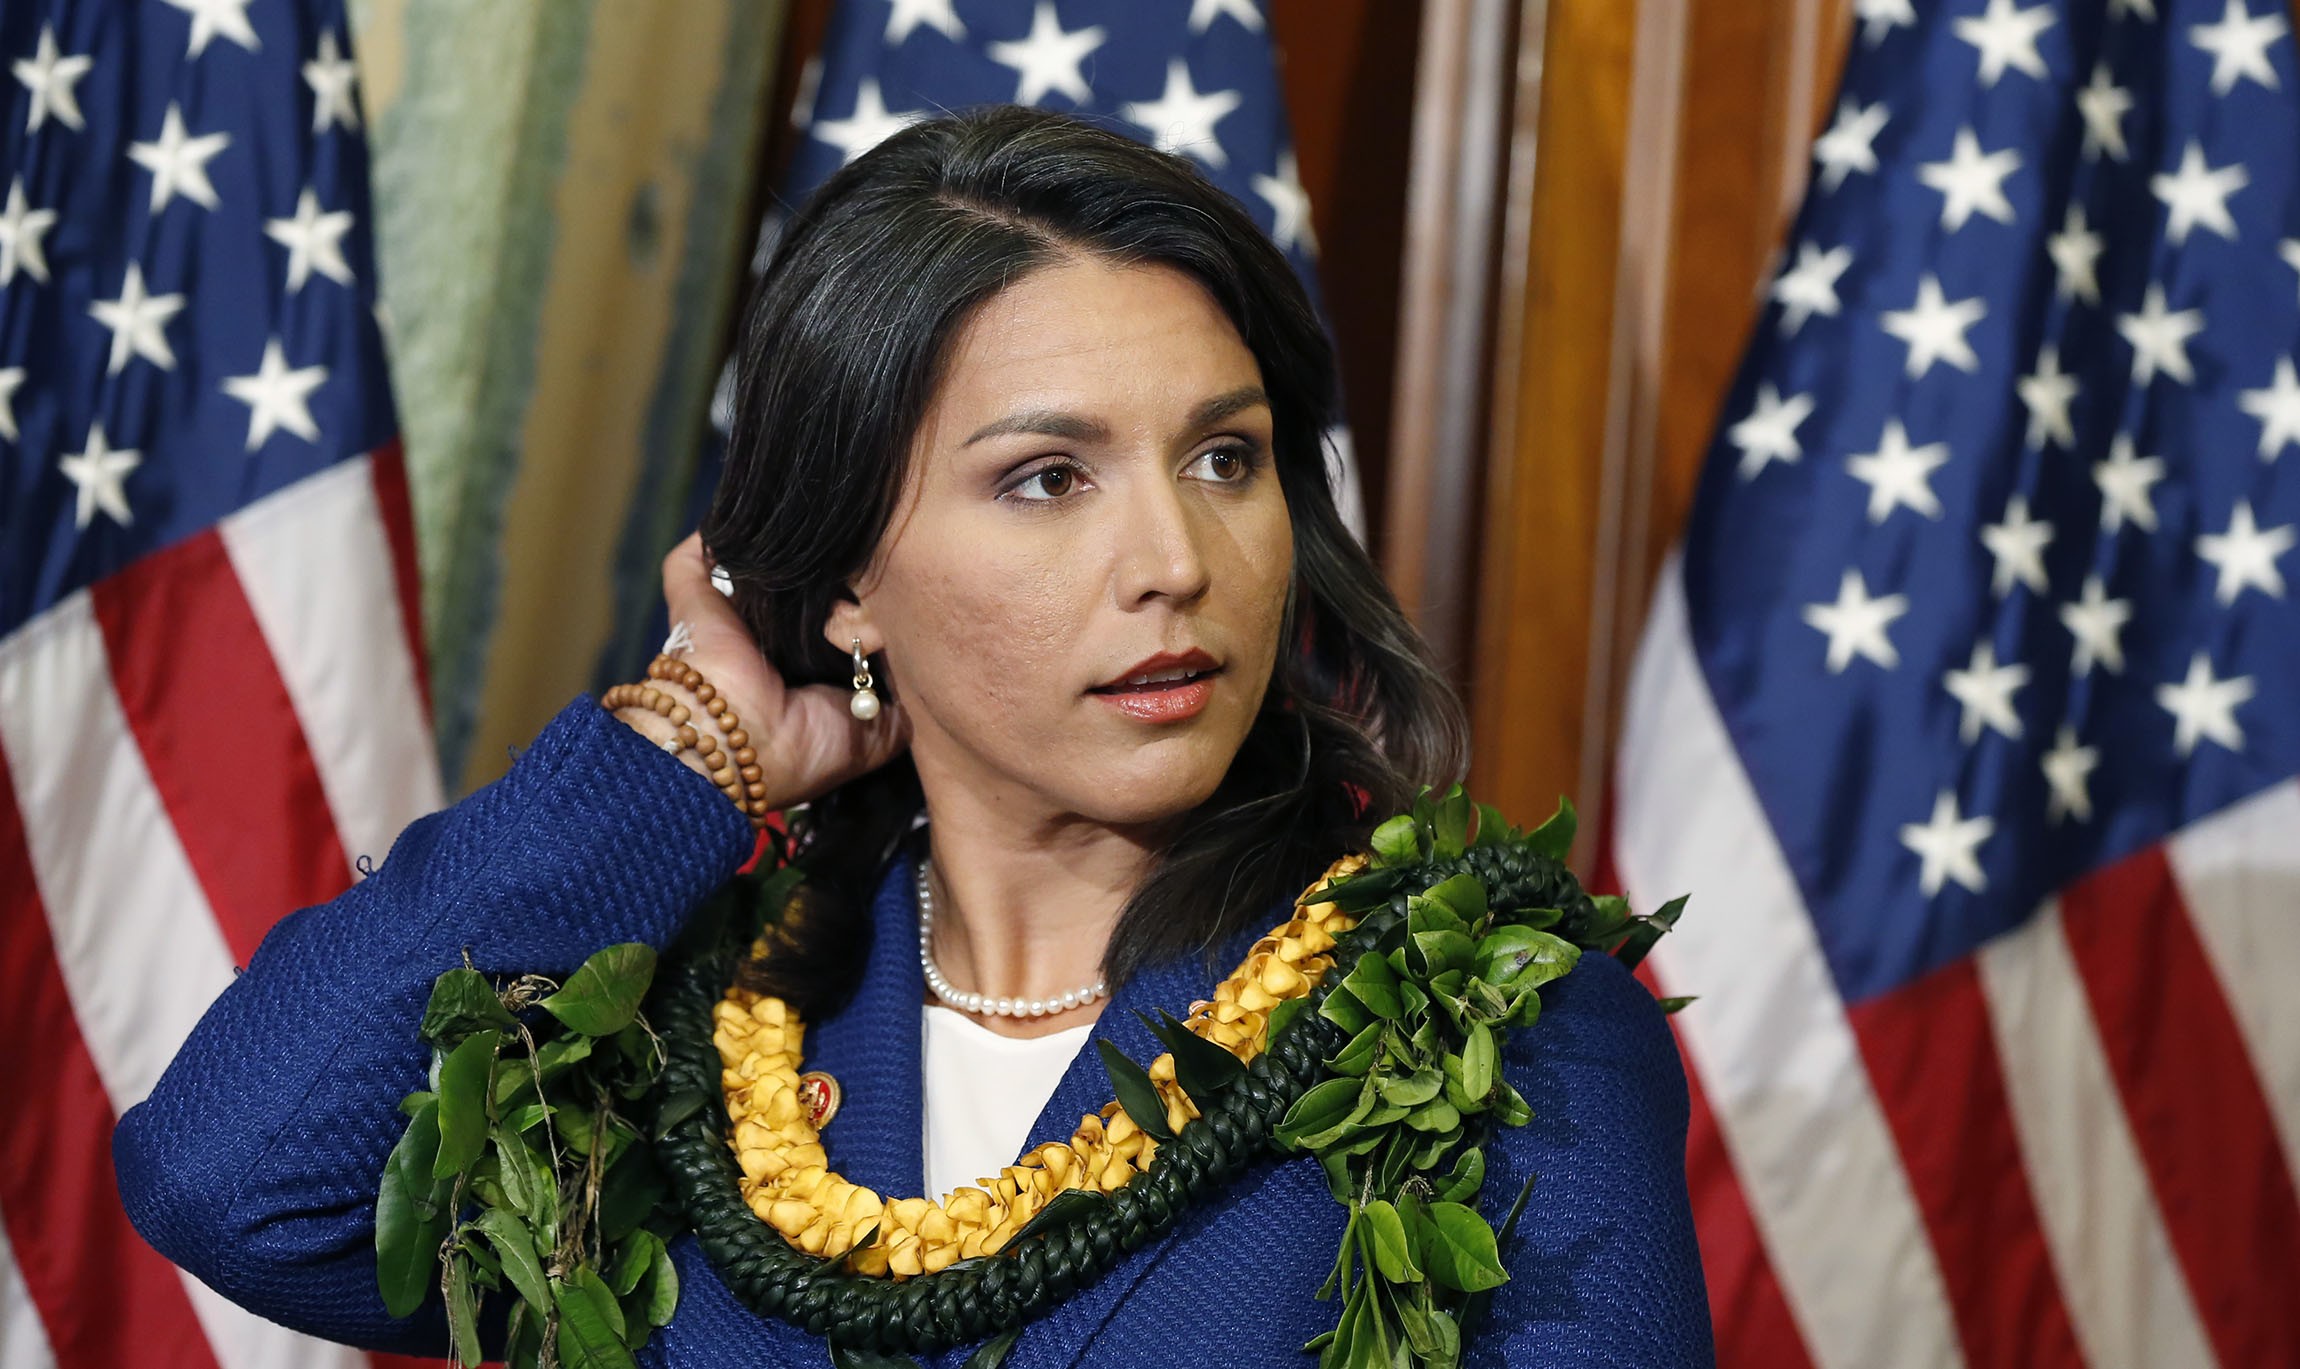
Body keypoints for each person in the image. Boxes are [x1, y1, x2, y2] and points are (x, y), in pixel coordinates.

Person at [113, 106, 1712, 1366]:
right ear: (850, 581)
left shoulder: (1493, 1027)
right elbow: (236, 1182)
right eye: (1048, 478)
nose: (1176, 559)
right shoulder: (679, 1040)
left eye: (1225, 458)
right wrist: (685, 750)